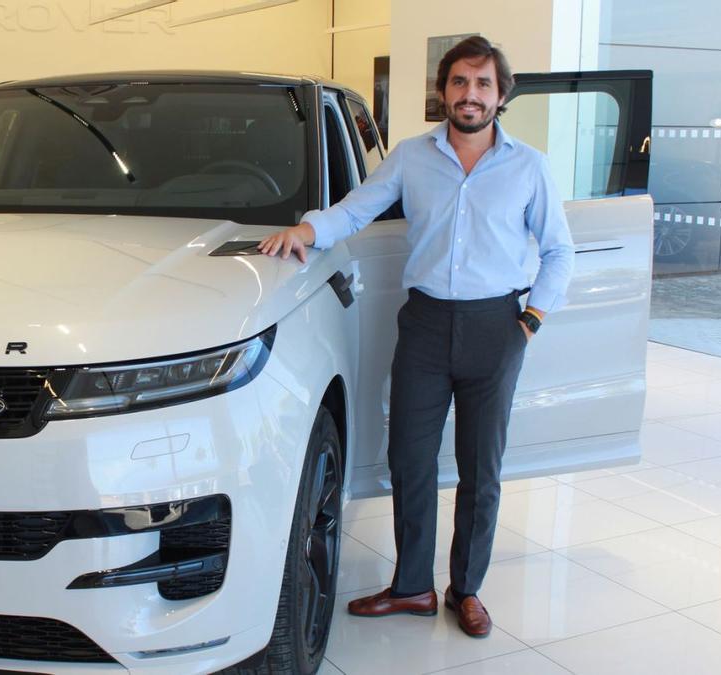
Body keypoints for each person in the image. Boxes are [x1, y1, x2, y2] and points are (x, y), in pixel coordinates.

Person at [258, 36, 573, 638]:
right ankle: (412, 587)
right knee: (409, 459)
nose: (470, 94)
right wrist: (304, 228)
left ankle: (467, 589)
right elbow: (355, 210)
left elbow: (559, 251)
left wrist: (530, 321)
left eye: (483, 83)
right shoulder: (412, 155)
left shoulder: (529, 166)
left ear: (501, 94)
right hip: (426, 324)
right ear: (443, 92)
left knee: (482, 470)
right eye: (459, 82)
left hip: (495, 328)